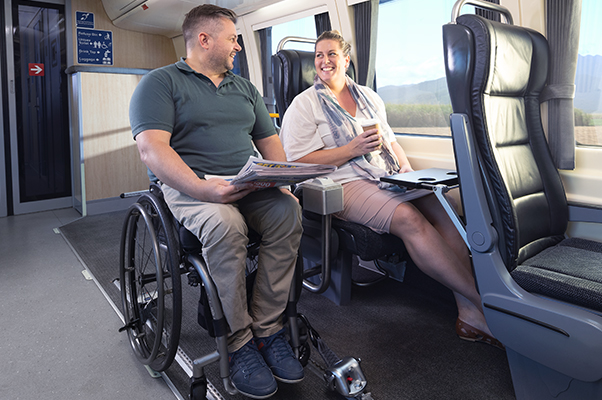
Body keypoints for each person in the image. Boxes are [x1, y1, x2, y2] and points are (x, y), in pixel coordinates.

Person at [279, 30, 503, 350]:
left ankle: (468, 314)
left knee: (446, 208)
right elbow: (298, 160)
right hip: (340, 181)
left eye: (331, 54)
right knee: (409, 218)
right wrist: (351, 148)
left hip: (382, 174)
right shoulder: (304, 105)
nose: (324, 61)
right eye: (318, 55)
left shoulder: (369, 97)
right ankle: (484, 304)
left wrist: (410, 173)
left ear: (346, 60)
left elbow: (391, 141)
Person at [129, 5, 304, 398]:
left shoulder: (244, 88)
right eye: (233, 38)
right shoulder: (160, 83)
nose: (239, 46)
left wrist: (283, 179)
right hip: (192, 186)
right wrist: (204, 189)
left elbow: (270, 143)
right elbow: (152, 151)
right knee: (227, 224)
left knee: (289, 212)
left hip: (248, 182)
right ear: (204, 39)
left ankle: (267, 328)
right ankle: (239, 340)